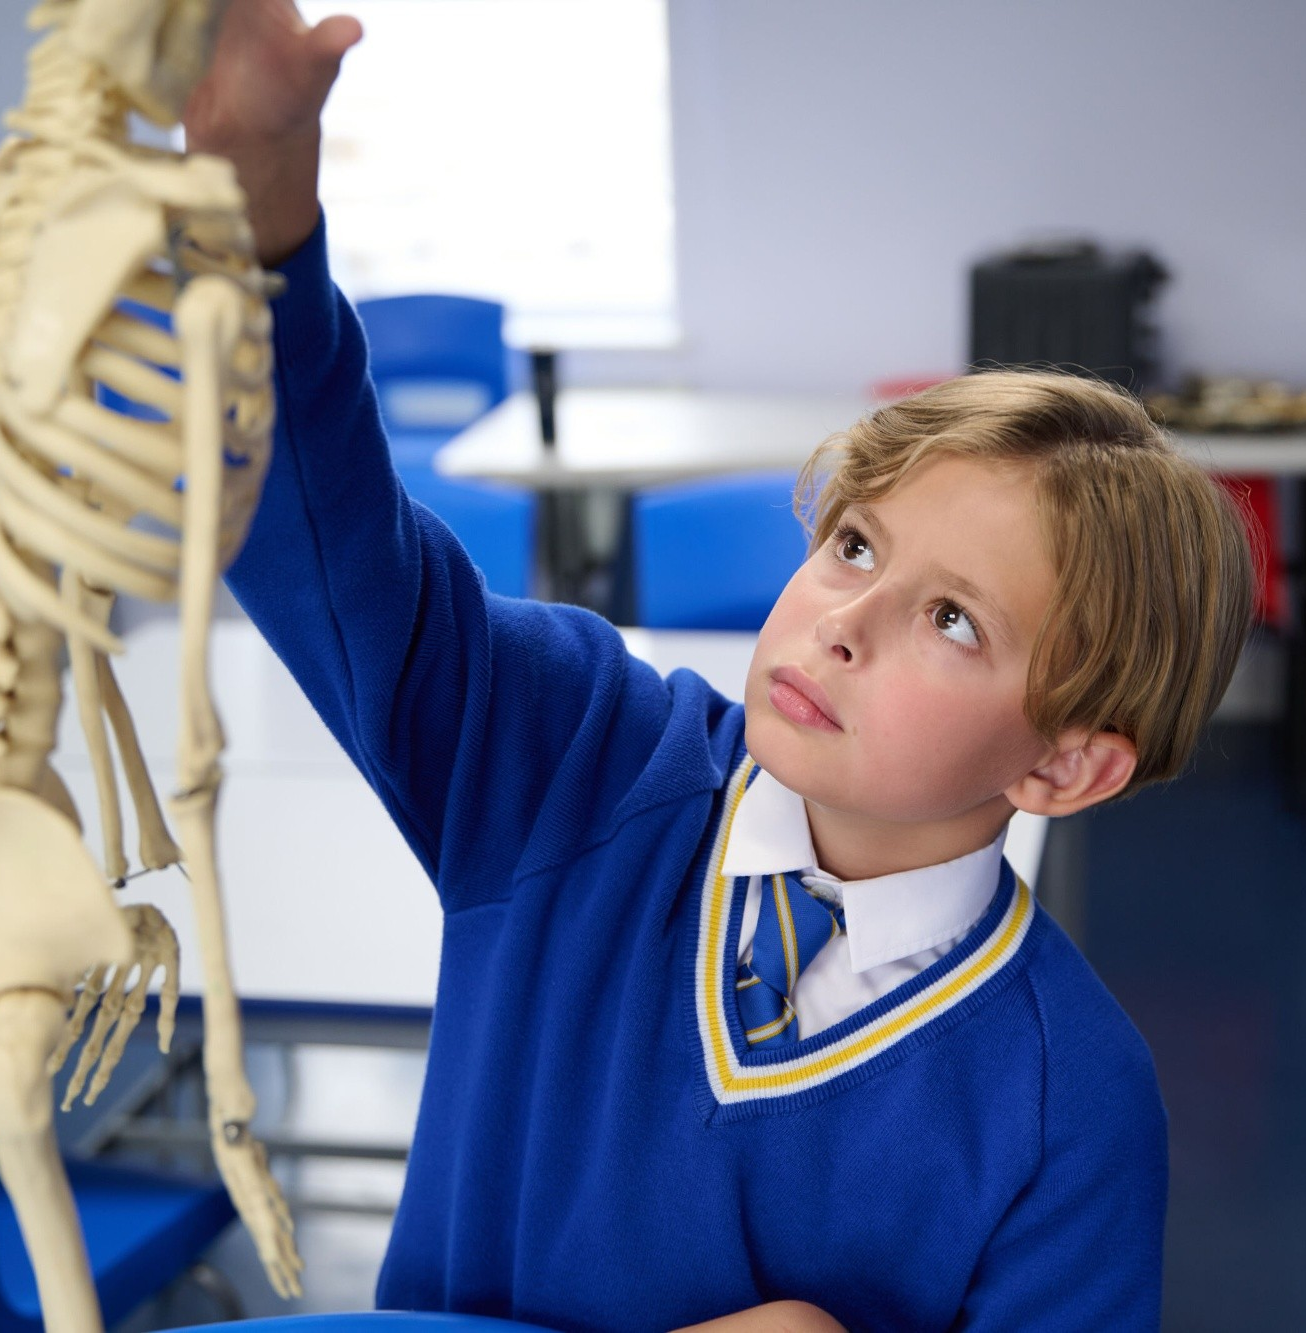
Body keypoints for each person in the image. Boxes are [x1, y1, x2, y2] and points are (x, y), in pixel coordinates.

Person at [186, 5, 1257, 1329]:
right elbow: (323, 539)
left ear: (1065, 761)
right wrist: (255, 211)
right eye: (857, 546)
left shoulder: (1071, 1110)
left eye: (956, 621)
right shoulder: (573, 759)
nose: (843, 622)